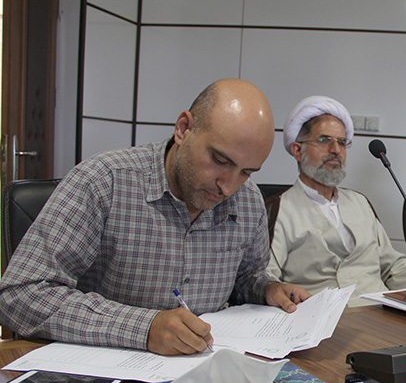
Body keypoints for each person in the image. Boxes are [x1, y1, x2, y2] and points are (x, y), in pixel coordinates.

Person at [0, 79, 309, 355]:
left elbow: (245, 277)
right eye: (219, 160)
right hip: (105, 373)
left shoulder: (248, 200)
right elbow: (21, 294)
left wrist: (266, 289)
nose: (228, 187)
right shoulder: (103, 182)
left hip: (204, 369)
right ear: (184, 129)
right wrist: (143, 328)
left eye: (246, 172)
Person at [266, 95, 406, 306]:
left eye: (342, 142)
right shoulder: (279, 209)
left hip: (381, 314)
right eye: (324, 140)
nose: (336, 150)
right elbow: (267, 279)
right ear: (297, 150)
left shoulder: (360, 202)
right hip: (321, 317)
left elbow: (393, 266)